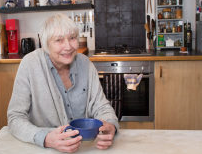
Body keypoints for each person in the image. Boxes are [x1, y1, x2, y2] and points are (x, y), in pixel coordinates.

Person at [7, 13, 119, 153]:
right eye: (59, 40)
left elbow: (102, 106)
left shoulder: (85, 63)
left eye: (72, 38)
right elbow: (15, 118)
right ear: (46, 44)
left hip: (84, 148)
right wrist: (46, 138)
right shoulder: (30, 64)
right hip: (42, 149)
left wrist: (111, 127)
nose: (68, 46)